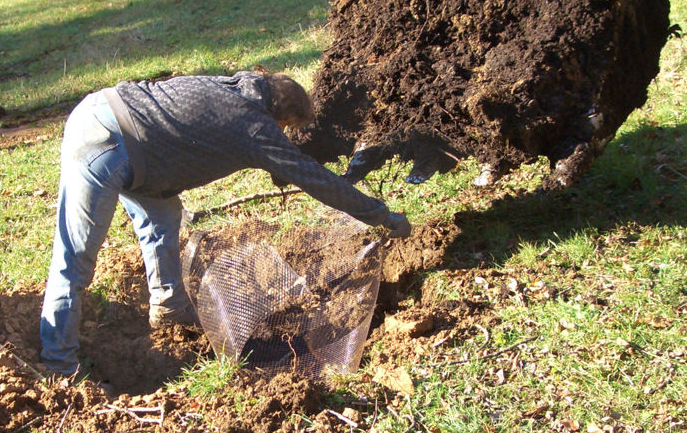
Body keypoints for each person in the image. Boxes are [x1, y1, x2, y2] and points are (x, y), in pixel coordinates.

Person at [40, 69, 412, 375]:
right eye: (285, 129)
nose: (282, 135)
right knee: (76, 256)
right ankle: (59, 363)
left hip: (136, 146)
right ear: (279, 117)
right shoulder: (254, 127)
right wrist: (378, 215)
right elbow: (316, 179)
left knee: (162, 218)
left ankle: (169, 305)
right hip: (105, 141)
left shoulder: (238, 86)